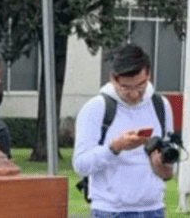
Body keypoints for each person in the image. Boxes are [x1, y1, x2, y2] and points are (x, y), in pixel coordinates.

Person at [73, 44, 175, 218]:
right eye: (126, 88)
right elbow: (80, 165)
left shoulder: (161, 105)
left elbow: (171, 155)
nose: (134, 94)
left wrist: (164, 165)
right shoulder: (96, 108)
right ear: (113, 78)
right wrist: (114, 148)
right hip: (110, 211)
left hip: (153, 208)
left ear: (148, 75)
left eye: (140, 86)